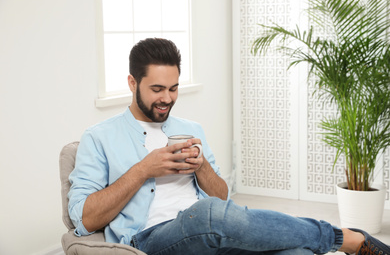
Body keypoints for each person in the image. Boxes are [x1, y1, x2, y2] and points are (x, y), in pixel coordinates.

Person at [68, 38, 390, 255]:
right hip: (152, 238)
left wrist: (202, 167)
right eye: (157, 89)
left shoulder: (190, 130)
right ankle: (343, 238)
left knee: (297, 252)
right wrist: (144, 169)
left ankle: (331, 241)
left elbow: (223, 198)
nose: (167, 98)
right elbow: (83, 220)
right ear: (132, 83)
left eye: (174, 88)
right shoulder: (99, 138)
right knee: (208, 214)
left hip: (212, 229)